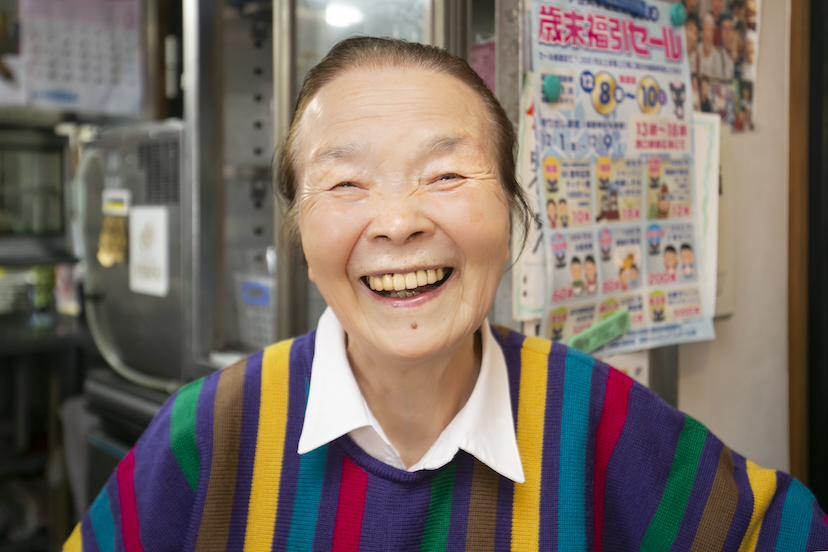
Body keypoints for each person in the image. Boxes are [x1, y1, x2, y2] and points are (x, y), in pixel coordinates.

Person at [62, 37, 827, 551]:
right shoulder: (211, 432)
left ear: (512, 210)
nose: (397, 223)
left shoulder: (601, 420)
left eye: (447, 175)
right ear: (299, 233)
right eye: (345, 183)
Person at [699, 13, 727, 79]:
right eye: (706, 30)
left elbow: (718, 78)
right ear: (702, 32)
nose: (708, 34)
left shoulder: (716, 55)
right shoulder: (696, 50)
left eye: (710, 31)